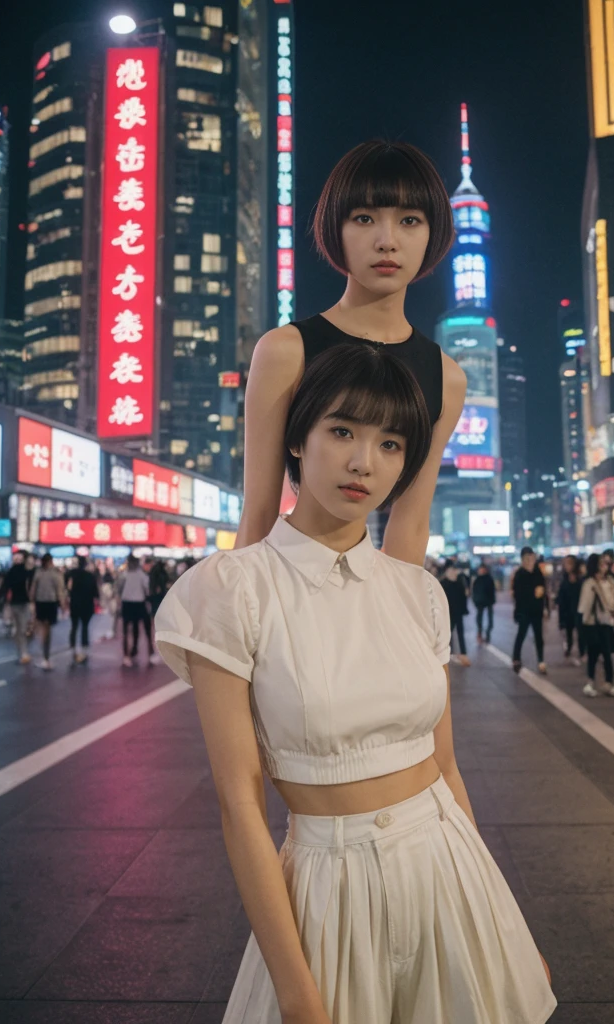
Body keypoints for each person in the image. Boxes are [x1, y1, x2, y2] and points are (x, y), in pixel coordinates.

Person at [155, 344, 556, 1024]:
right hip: (328, 884)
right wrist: (295, 989)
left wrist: (504, 922)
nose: (363, 462)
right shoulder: (229, 590)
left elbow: (447, 769)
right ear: (298, 439)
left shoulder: (419, 594)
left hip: (449, 870)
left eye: (390, 443)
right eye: (342, 431)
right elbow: (239, 804)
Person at [233, 139, 468, 568]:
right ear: (336, 230)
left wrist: (396, 625)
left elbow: (411, 523)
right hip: (283, 580)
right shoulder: (286, 351)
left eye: (410, 220)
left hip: (373, 600)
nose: (387, 241)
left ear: (432, 234)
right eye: (364, 218)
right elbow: (260, 510)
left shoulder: (445, 377)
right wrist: (246, 612)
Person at [578, 553, 614, 698]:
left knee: (607, 653)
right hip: (592, 622)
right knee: (593, 653)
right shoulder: (589, 583)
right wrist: (582, 623)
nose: (605, 565)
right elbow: (583, 605)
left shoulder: (611, 581)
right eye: (602, 563)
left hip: (607, 622)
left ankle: (609, 682)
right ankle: (590, 682)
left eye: (606, 563)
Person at [117, 555, 161, 667]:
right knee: (146, 630)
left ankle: (127, 656)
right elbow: (147, 590)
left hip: (127, 603)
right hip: (139, 603)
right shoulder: (142, 575)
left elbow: (119, 589)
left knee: (127, 630)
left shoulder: (124, 575)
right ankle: (150, 654)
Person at [512, 547, 548, 674]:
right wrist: (532, 594)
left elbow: (544, 592)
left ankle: (541, 661)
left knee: (539, 636)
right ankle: (516, 659)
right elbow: (517, 595)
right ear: (522, 560)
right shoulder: (519, 574)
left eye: (531, 558)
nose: (529, 561)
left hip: (537, 610)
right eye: (526, 559)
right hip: (524, 610)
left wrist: (546, 608)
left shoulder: (538, 573)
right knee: (521, 634)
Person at [30, 553, 67, 671]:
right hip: (51, 603)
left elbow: (33, 589)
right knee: (47, 629)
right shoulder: (55, 574)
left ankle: (45, 654)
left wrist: (31, 601)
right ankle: (46, 656)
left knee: (43, 627)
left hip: (40, 603)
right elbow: (59, 590)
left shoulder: (38, 573)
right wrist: (62, 605)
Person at [0, 552, 34, 663]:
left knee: (19, 629)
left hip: (16, 603)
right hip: (22, 603)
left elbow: (4, 586)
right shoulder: (26, 572)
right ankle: (23, 652)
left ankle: (22, 652)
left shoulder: (12, 572)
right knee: (21, 629)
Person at [67, 556, 99, 664]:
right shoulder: (90, 576)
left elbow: (68, 589)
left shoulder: (72, 575)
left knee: (74, 627)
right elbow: (95, 593)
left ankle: (73, 650)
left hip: (75, 604)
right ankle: (84, 651)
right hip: (87, 605)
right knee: (85, 627)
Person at [440, 559, 471, 667]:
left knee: (460, 632)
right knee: (448, 633)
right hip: (448, 613)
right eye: (451, 569)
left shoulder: (459, 582)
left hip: (458, 611)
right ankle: (449, 652)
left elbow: (464, 597)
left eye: (454, 569)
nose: (454, 572)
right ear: (447, 570)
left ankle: (463, 653)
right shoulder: (443, 583)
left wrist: (464, 609)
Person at [556, 555, 584, 665]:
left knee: (581, 631)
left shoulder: (580, 578)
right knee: (568, 631)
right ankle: (569, 647)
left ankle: (582, 651)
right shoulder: (564, 578)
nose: (567, 566)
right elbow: (561, 594)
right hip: (567, 609)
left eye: (569, 563)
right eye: (566, 563)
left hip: (578, 608)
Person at [472, 562, 496, 644]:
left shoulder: (489, 579)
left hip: (488, 601)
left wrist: (492, 600)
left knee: (490, 620)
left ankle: (487, 634)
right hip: (480, 602)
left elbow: (492, 591)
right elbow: (474, 591)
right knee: (479, 619)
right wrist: (475, 601)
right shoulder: (477, 580)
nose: (481, 571)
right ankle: (480, 633)